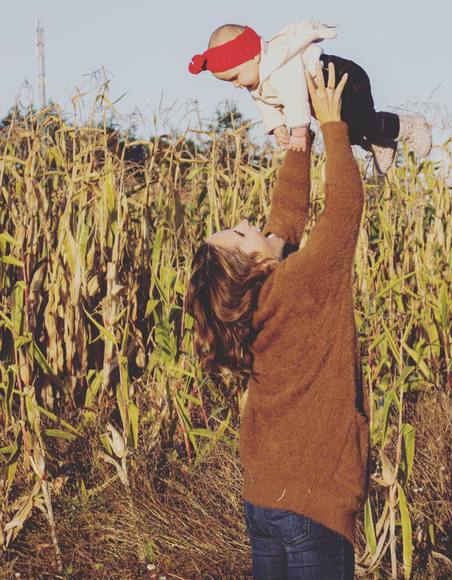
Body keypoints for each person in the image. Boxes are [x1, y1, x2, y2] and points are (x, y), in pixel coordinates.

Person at [184, 62, 370, 579]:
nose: (249, 224)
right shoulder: (299, 283)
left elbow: (284, 218)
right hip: (313, 503)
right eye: (240, 234)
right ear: (253, 265)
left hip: (264, 500)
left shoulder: (254, 303)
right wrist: (332, 126)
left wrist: (299, 139)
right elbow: (343, 213)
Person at [188, 21, 432, 174]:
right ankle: (378, 144)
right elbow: (266, 106)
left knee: (363, 121)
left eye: (235, 77)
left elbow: (295, 98)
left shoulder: (280, 65)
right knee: (340, 132)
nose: (235, 84)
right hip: (324, 97)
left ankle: (409, 126)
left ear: (253, 56)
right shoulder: (257, 80)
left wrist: (298, 132)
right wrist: (277, 126)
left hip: (344, 79)